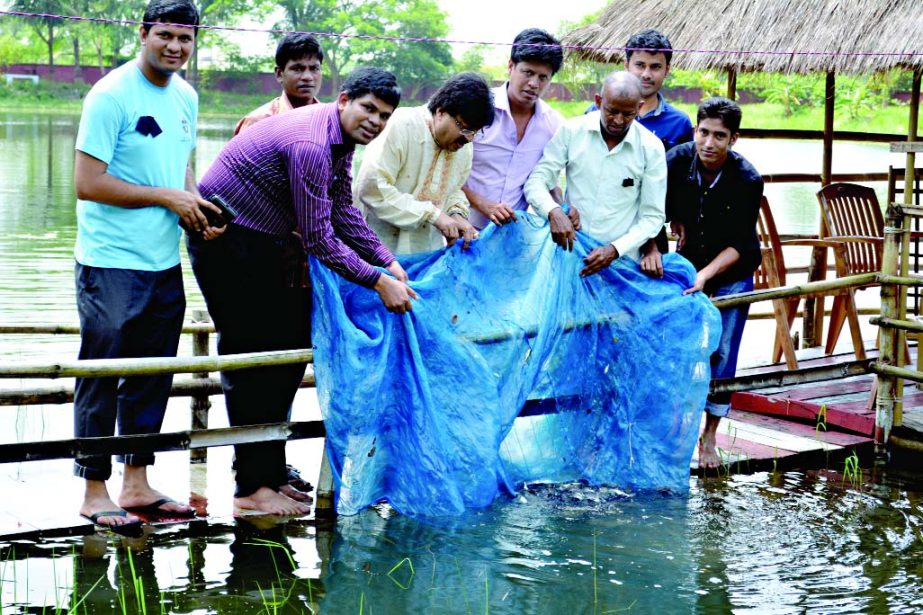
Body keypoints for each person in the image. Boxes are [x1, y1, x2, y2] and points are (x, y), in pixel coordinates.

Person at [190, 67, 415, 516]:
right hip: (228, 241)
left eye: (384, 115)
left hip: (265, 242)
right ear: (344, 100)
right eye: (368, 108)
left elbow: (342, 210)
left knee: (287, 352)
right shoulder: (311, 143)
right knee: (252, 358)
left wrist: (385, 259)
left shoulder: (340, 141)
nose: (375, 120)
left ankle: (269, 474)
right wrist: (376, 280)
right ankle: (251, 488)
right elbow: (318, 237)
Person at [72, 0, 223, 532]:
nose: (175, 47)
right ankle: (95, 489)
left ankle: (136, 481)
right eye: (165, 35)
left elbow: (179, 163)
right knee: (104, 370)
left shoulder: (185, 95)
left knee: (153, 373)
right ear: (143, 33)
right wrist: (167, 198)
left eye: (185, 38)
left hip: (162, 261)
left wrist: (193, 204)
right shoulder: (111, 95)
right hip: (109, 261)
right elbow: (87, 183)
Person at [662, 97, 762, 469]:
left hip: (730, 269)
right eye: (704, 132)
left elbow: (740, 244)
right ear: (695, 130)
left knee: (721, 351)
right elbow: (657, 207)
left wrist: (706, 276)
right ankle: (673, 430)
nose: (709, 143)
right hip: (687, 267)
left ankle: (709, 437)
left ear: (734, 139)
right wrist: (677, 221)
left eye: (719, 136)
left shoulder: (747, 178)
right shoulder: (676, 161)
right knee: (679, 346)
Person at [523, 71, 666, 275]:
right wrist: (553, 211)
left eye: (627, 114)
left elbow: (652, 216)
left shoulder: (651, 148)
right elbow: (537, 181)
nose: (618, 120)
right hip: (570, 253)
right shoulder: (572, 131)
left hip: (622, 263)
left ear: (639, 108)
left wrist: (615, 250)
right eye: (611, 111)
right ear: (598, 101)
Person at [355, 72, 494, 254]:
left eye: (476, 131)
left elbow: (453, 189)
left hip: (425, 253)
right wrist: (433, 215)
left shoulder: (463, 146)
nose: (469, 138)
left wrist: (456, 213)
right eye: (464, 127)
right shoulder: (401, 125)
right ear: (441, 111)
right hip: (375, 249)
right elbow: (372, 186)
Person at [462, 28, 572, 230]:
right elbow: (445, 170)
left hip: (512, 235)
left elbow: (547, 180)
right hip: (462, 228)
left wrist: (562, 208)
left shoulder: (554, 124)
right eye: (528, 72)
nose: (533, 84)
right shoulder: (474, 107)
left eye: (542, 77)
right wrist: (481, 204)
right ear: (510, 66)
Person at [584, 29, 693, 152]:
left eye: (655, 67)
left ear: (667, 70)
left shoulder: (679, 123)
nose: (646, 74)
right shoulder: (596, 111)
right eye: (640, 65)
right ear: (626, 65)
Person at [234, 33, 324, 136]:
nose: (307, 77)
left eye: (314, 69)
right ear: (279, 74)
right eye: (297, 69)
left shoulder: (330, 121)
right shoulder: (258, 123)